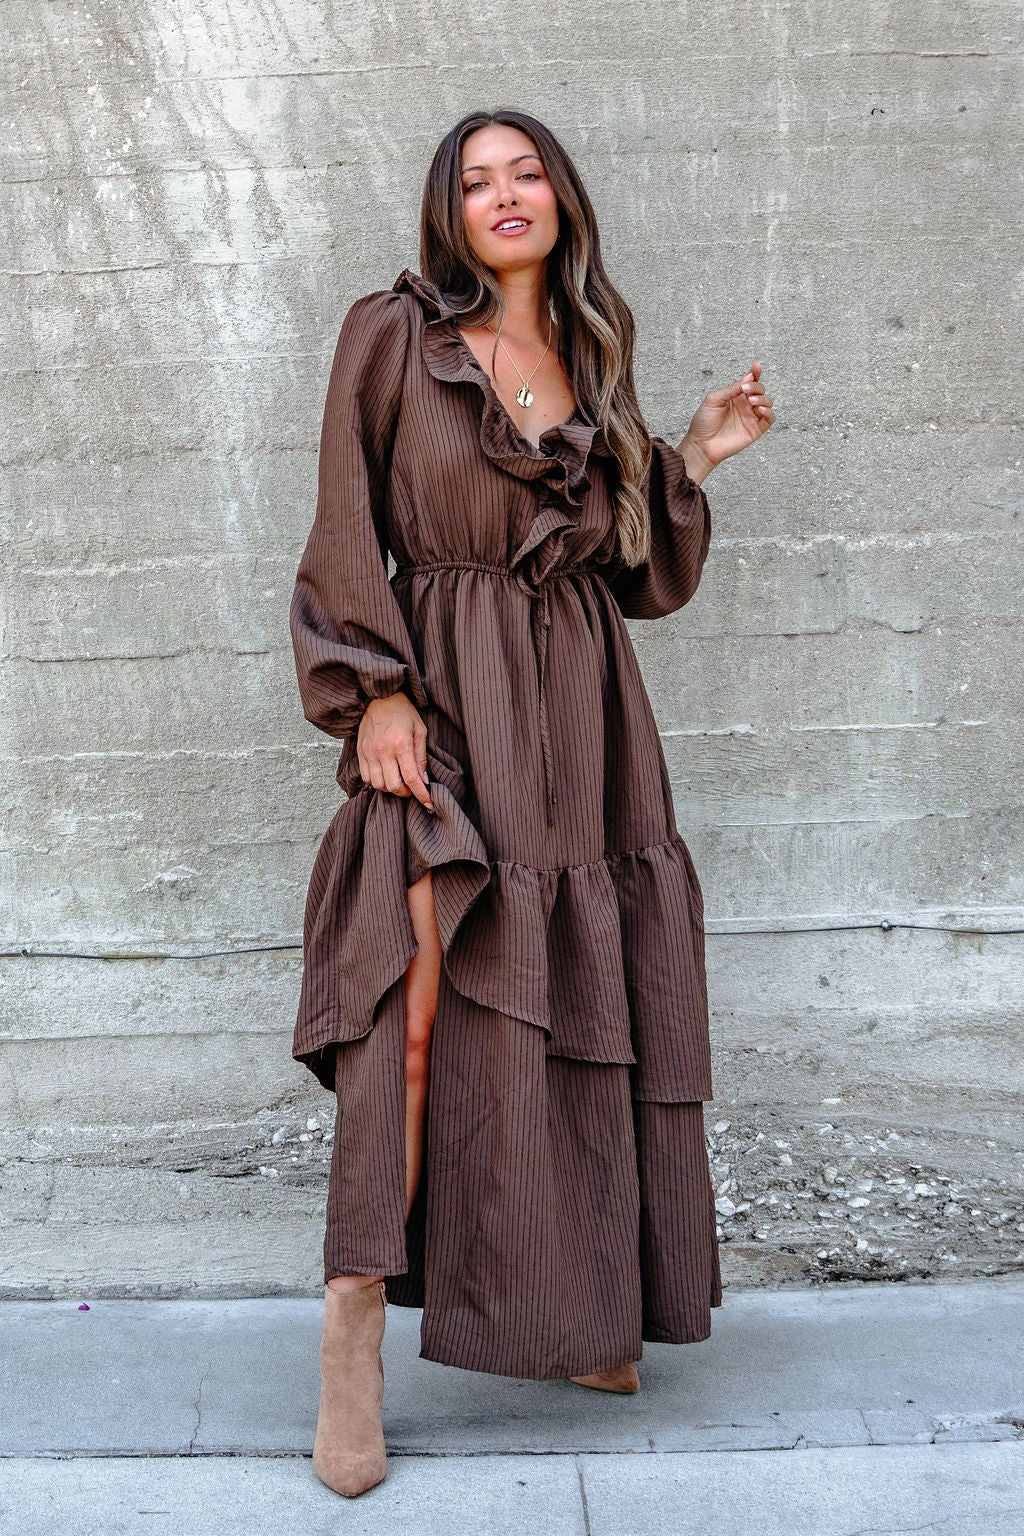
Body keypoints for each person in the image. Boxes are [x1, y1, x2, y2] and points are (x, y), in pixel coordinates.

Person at [289, 106, 774, 1498]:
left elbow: (626, 574)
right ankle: (353, 1333)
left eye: (528, 172)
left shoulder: (587, 357)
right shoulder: (391, 336)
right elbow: (343, 520)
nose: (507, 194)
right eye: (477, 179)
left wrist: (691, 453)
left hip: (587, 719)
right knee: (419, 1011)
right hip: (446, 703)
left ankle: (580, 1310)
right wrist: (370, 688)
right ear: (447, 212)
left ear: (561, 197)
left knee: (581, 992)